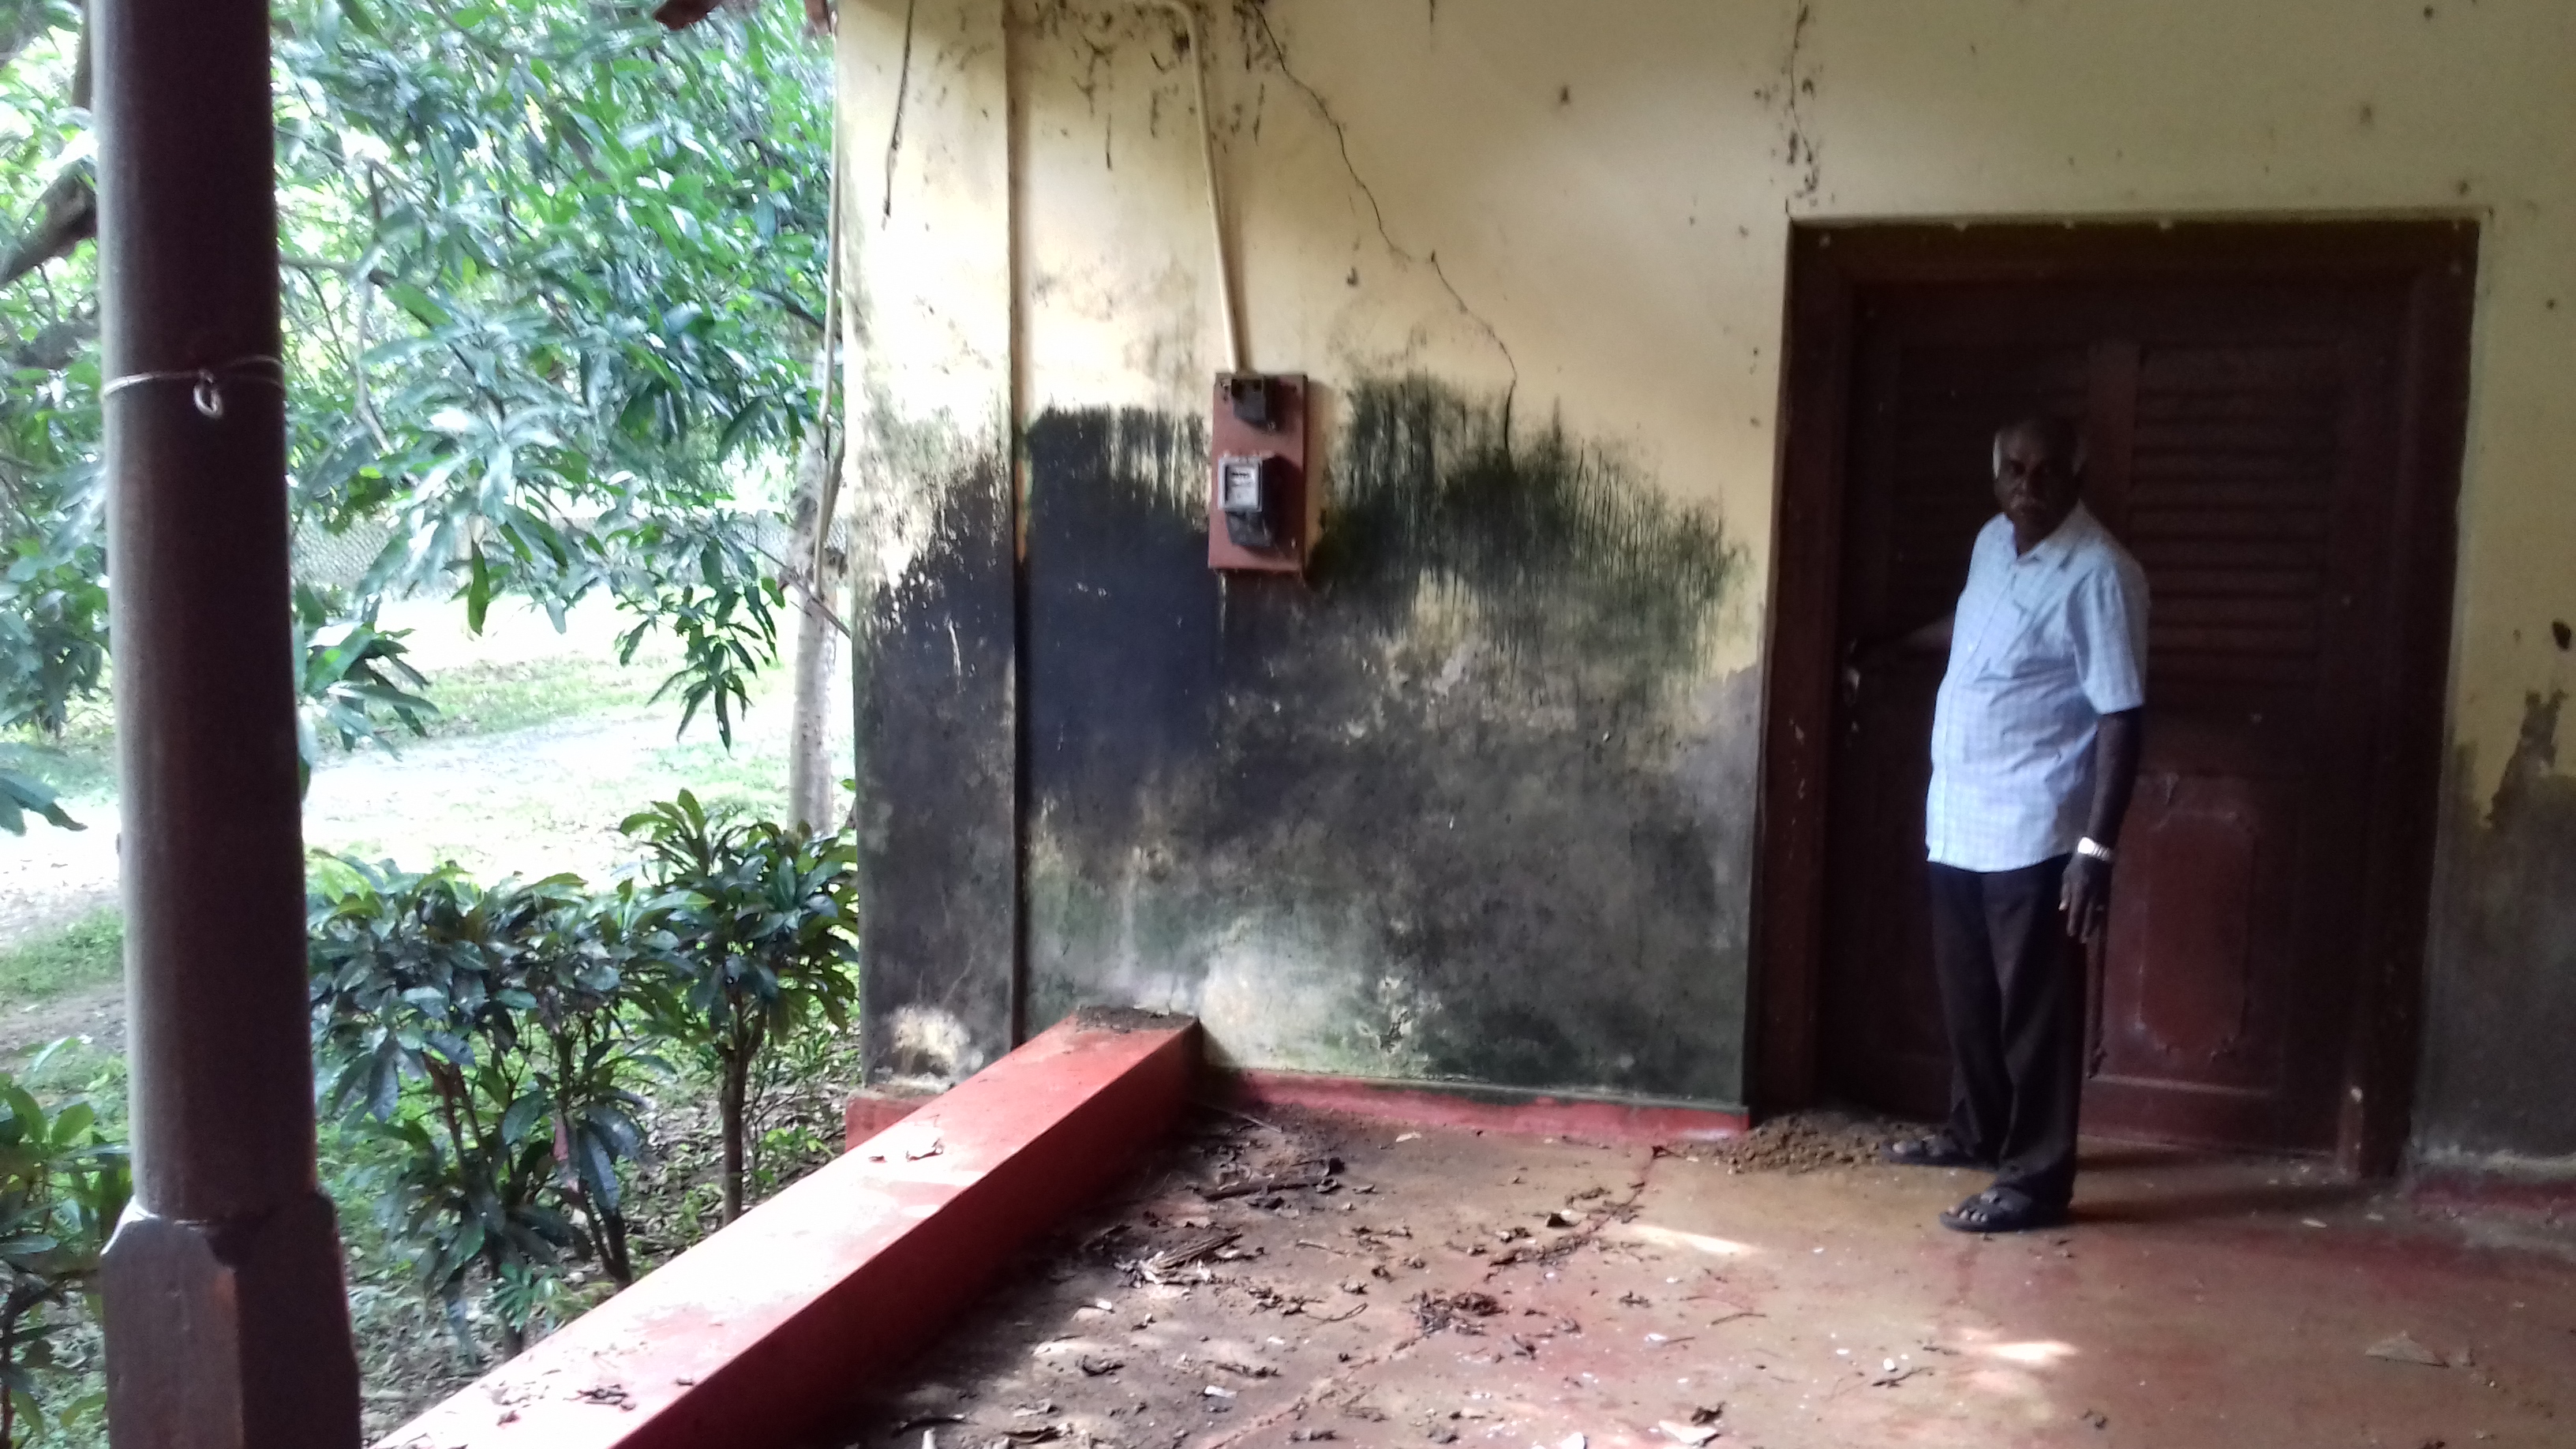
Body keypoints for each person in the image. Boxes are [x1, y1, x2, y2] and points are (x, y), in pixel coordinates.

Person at [1866, 415, 2149, 1234]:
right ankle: (1977, 1132)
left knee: (2035, 1012)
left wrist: (2097, 848)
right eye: (2015, 470)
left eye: (2047, 470)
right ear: (1995, 479)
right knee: (1970, 999)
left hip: (2035, 827)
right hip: (1959, 816)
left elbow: (2123, 714)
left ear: (2076, 477)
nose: (2029, 486)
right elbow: (1975, 631)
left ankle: (2035, 1179)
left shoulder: (2101, 574)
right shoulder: (1993, 542)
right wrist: (1895, 645)